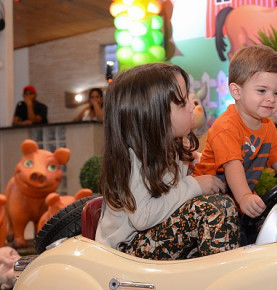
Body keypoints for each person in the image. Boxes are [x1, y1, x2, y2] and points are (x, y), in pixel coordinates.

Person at [96, 63, 240, 260]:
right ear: (152, 117)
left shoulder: (175, 144)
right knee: (215, 208)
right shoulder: (133, 158)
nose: (192, 106)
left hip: (155, 237)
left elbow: (196, 164)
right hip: (126, 251)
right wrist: (194, 185)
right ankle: (221, 276)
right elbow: (142, 217)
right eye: (182, 103)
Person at [194, 45, 277, 218]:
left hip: (236, 198)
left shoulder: (267, 125)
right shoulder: (226, 127)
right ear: (237, 91)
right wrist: (245, 197)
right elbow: (233, 166)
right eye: (262, 91)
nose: (271, 99)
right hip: (206, 203)